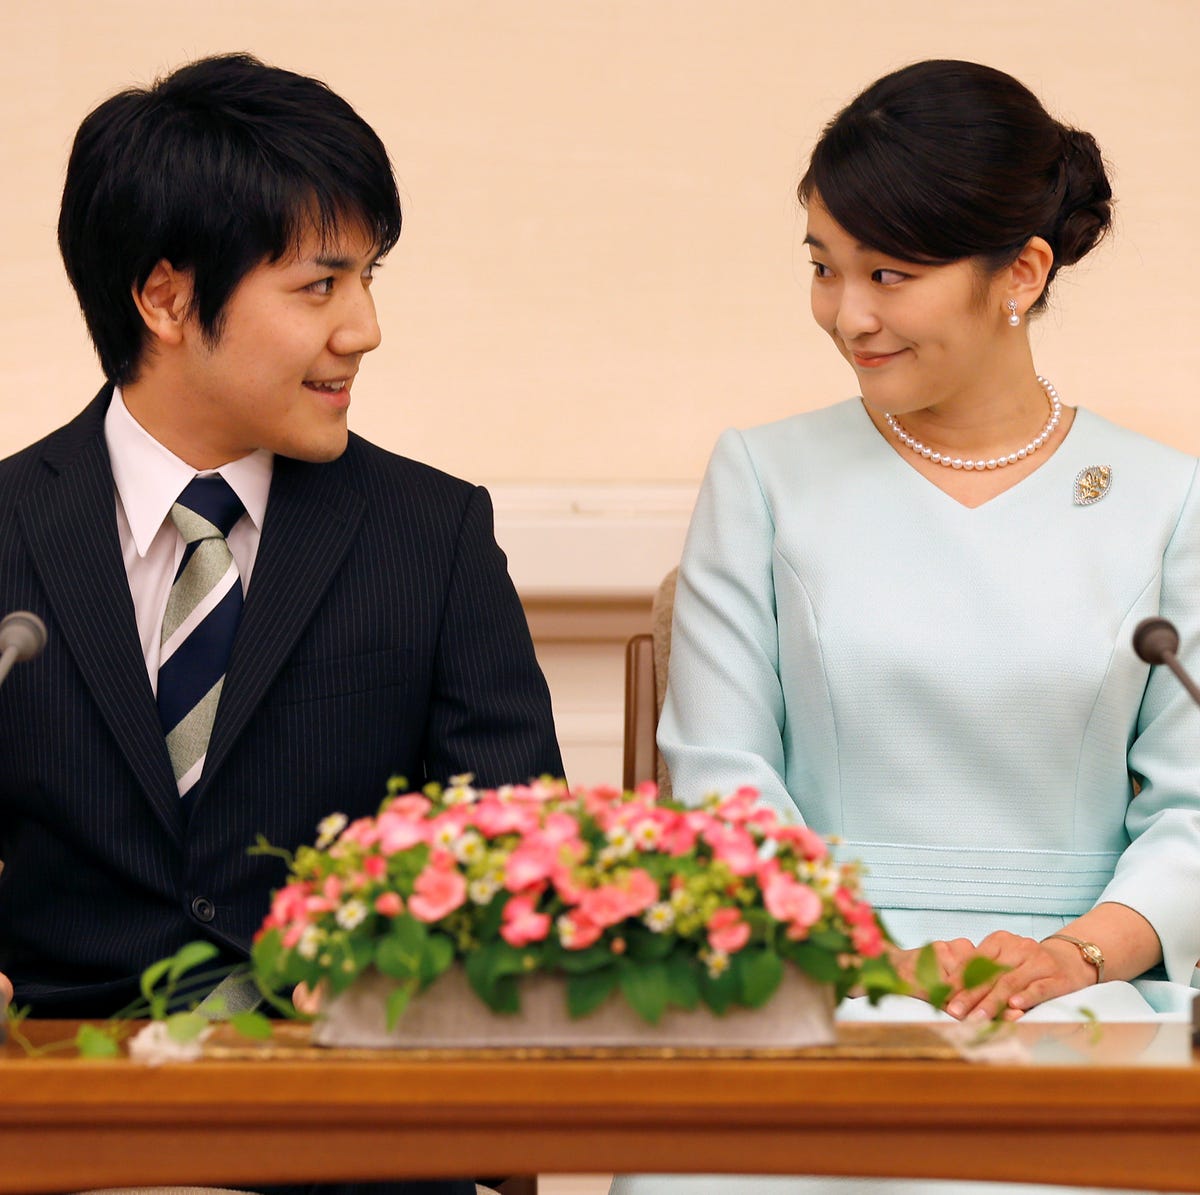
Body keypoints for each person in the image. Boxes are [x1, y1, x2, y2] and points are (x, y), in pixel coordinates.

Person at [613, 58, 1199, 1195]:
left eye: (890, 273)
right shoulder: (764, 474)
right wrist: (871, 956)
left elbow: (1195, 803)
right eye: (825, 269)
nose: (849, 314)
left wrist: (1078, 950)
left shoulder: (1167, 498)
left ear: (1021, 272)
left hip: (1089, 986)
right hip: (808, 979)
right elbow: (722, 776)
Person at [0, 52, 561, 1195]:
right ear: (164, 298)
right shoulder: (8, 529)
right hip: (56, 1126)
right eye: (320, 286)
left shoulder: (431, 535)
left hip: (357, 1132)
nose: (364, 329)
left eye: (370, 279)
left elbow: (524, 858)